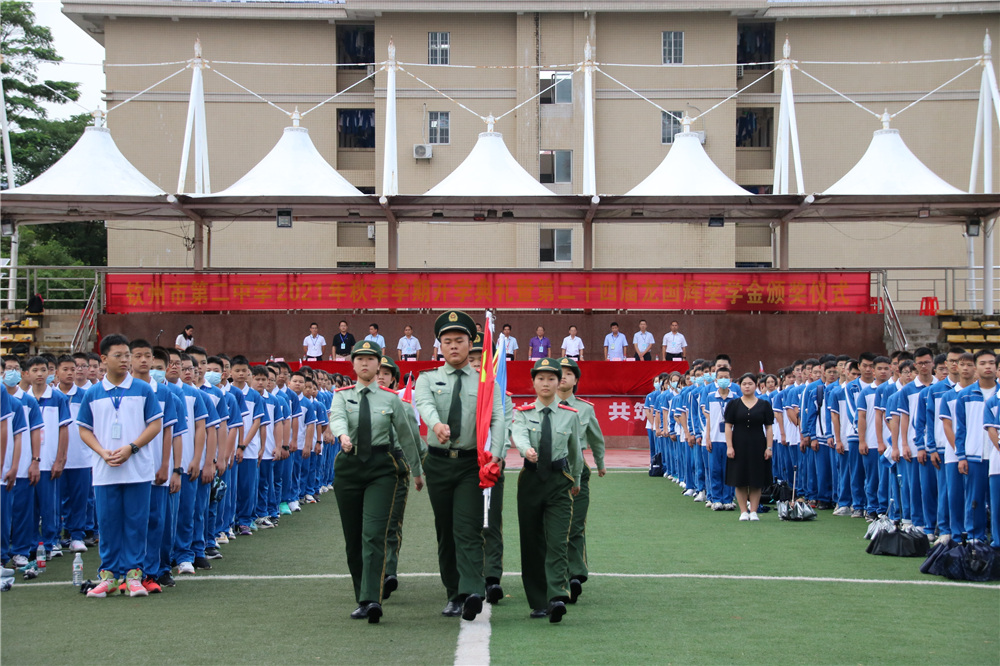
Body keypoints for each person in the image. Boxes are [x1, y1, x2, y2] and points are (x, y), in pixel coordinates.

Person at [414, 310, 505, 622]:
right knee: (446, 530)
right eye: (447, 341)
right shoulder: (427, 379)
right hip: (438, 464)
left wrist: (496, 452)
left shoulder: (484, 382)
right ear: (439, 345)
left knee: (467, 527)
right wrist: (436, 424)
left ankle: (471, 591)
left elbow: (497, 418)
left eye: (460, 340)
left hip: (469, 464)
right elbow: (424, 404)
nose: (453, 346)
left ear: (470, 344)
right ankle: (453, 593)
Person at [329, 341, 424, 624]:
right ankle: (362, 594)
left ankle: (372, 599)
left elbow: (407, 436)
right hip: (349, 467)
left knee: (374, 533)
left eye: (372, 360)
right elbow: (337, 419)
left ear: (379, 364)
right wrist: (343, 436)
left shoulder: (391, 399)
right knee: (353, 536)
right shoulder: (341, 395)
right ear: (354, 364)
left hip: (382, 469)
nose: (366, 364)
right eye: (361, 360)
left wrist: (417, 471)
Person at [77, 334, 164, 598]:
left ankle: (134, 576)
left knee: (137, 522)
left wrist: (131, 448)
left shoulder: (142, 389)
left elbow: (155, 424)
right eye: (119, 355)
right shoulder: (93, 393)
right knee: (108, 523)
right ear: (103, 359)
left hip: (137, 469)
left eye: (128, 355)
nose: (126, 360)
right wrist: (102, 452)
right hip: (105, 470)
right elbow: (84, 429)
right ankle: (109, 576)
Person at [511, 357, 582, 623]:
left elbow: (575, 451)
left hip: (559, 481)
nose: (546, 383)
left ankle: (556, 597)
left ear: (558, 382)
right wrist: (524, 449)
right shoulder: (523, 413)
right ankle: (538, 600)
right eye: (541, 378)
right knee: (531, 542)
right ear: (533, 382)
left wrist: (575, 479)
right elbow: (517, 434)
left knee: (557, 540)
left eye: (551, 378)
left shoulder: (570, 415)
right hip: (530, 481)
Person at [555, 357, 605, 604]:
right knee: (554, 528)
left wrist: (601, 462)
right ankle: (559, 577)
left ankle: (575, 573)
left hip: (577, 470)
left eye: (568, 373)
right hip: (551, 471)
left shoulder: (585, 408)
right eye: (559, 373)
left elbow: (595, 437)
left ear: (576, 379)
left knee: (575, 525)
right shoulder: (543, 406)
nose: (563, 377)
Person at [468, 332, 511, 605]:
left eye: (479, 360)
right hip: (462, 465)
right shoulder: (457, 392)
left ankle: (492, 577)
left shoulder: (500, 393)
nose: (475, 365)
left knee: (491, 523)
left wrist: (497, 458)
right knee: (466, 525)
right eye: (471, 360)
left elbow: (503, 429)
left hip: (492, 465)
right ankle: (469, 577)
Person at [724, 372, 774, 521]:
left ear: (756, 385)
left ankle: (753, 511)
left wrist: (769, 447)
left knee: (756, 480)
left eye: (750, 384)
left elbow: (769, 428)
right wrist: (729, 446)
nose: (747, 386)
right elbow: (728, 426)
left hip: (758, 445)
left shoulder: (764, 404)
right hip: (738, 445)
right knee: (739, 480)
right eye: (744, 384)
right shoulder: (733, 404)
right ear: (740, 386)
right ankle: (743, 511)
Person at [704, 367, 737, 511]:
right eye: (720, 377)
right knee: (715, 469)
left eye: (726, 377)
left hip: (731, 440)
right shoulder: (711, 396)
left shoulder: (735, 398)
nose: (723, 380)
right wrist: (708, 438)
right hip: (715, 438)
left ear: (730, 380)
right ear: (716, 380)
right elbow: (709, 420)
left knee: (729, 470)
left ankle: (728, 499)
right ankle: (716, 498)